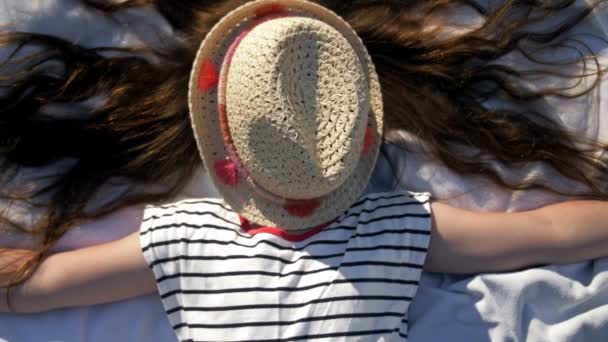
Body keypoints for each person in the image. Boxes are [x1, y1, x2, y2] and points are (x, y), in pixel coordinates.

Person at [2, 2, 608, 341]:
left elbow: (35, 288)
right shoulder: (395, 229)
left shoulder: (183, 239)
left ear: (222, 147)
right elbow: (551, 234)